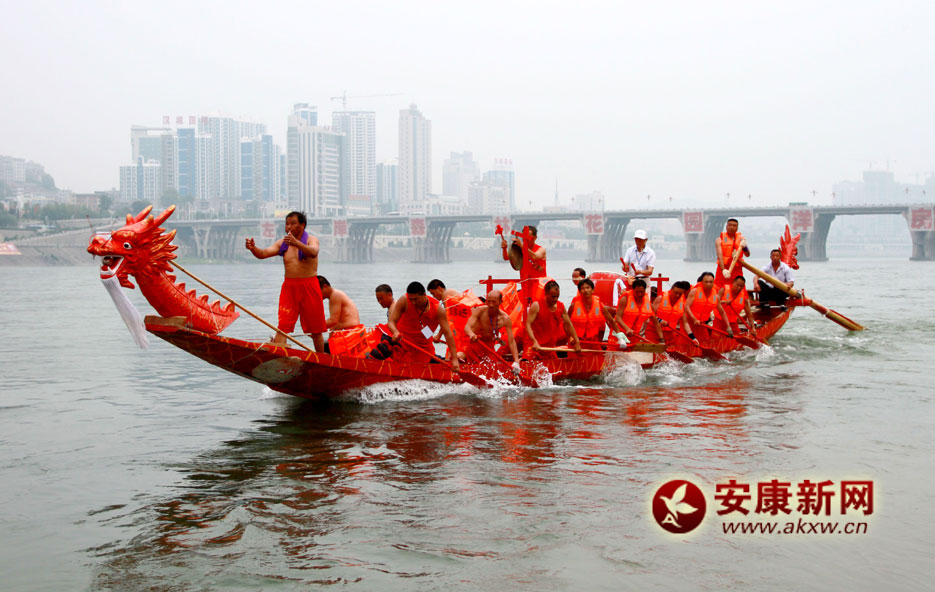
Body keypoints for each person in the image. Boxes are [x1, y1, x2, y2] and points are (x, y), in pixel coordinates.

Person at [245, 211, 325, 352]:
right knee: (283, 326)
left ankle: (322, 357)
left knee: (316, 330)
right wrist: (253, 249)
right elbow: (263, 254)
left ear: (302, 225)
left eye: (293, 223)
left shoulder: (311, 239)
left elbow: (313, 252)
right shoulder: (283, 243)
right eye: (287, 224)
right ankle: (279, 355)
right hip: (289, 287)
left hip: (309, 286)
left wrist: (296, 243)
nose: (289, 227)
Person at [387, 281, 460, 369]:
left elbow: (448, 334)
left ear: (424, 295)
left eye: (415, 299)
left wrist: (455, 359)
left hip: (424, 348)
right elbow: (391, 322)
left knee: (437, 363)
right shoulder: (404, 300)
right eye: (411, 299)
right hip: (403, 343)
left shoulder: (438, 309)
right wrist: (395, 332)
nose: (413, 302)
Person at [462, 290, 521, 373]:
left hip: (489, 349)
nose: (491, 304)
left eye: (494, 302)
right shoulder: (480, 311)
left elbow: (511, 341)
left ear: (500, 302)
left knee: (494, 370)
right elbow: (467, 327)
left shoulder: (505, 318)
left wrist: (516, 362)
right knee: (463, 358)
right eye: (488, 301)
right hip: (475, 345)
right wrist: (471, 334)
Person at [525, 280, 581, 358]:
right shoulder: (536, 305)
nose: (555, 299)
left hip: (549, 348)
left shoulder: (561, 306)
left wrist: (577, 341)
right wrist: (534, 341)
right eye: (553, 297)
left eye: (557, 296)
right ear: (546, 294)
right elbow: (528, 325)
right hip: (533, 345)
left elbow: (569, 324)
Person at [614, 278, 665, 343]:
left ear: (645, 290)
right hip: (619, 334)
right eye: (637, 292)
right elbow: (618, 318)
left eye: (642, 292)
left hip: (634, 336)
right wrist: (627, 329)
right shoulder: (625, 299)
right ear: (633, 290)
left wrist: (661, 339)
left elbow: (656, 323)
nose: (640, 294)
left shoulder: (649, 304)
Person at [685, 271, 731, 341]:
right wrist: (694, 319)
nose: (708, 284)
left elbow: (722, 312)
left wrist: (728, 327)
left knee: (705, 340)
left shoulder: (716, 296)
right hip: (689, 322)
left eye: (710, 282)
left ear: (713, 283)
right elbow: (687, 306)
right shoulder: (694, 291)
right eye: (706, 282)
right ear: (702, 282)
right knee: (687, 342)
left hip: (702, 323)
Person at [568, 278, 616, 343]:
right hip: (576, 342)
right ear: (579, 291)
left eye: (588, 288)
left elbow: (611, 321)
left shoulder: (599, 305)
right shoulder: (573, 306)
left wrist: (619, 335)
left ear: (592, 290)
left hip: (594, 341)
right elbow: (566, 323)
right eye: (582, 288)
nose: (585, 290)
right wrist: (570, 336)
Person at [652, 280, 699, 346]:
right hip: (653, 332)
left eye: (680, 294)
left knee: (672, 350)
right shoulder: (660, 298)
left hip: (669, 333)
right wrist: (660, 320)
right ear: (671, 290)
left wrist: (693, 338)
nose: (677, 295)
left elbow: (685, 323)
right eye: (676, 293)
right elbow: (651, 315)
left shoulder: (683, 304)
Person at [715, 218, 750, 288]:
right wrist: (723, 270)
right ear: (726, 227)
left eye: (734, 226)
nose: (732, 227)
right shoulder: (719, 240)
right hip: (724, 269)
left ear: (737, 228)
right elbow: (720, 256)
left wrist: (745, 247)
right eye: (730, 225)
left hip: (737, 269)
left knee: (739, 288)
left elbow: (747, 254)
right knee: (720, 288)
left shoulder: (741, 240)